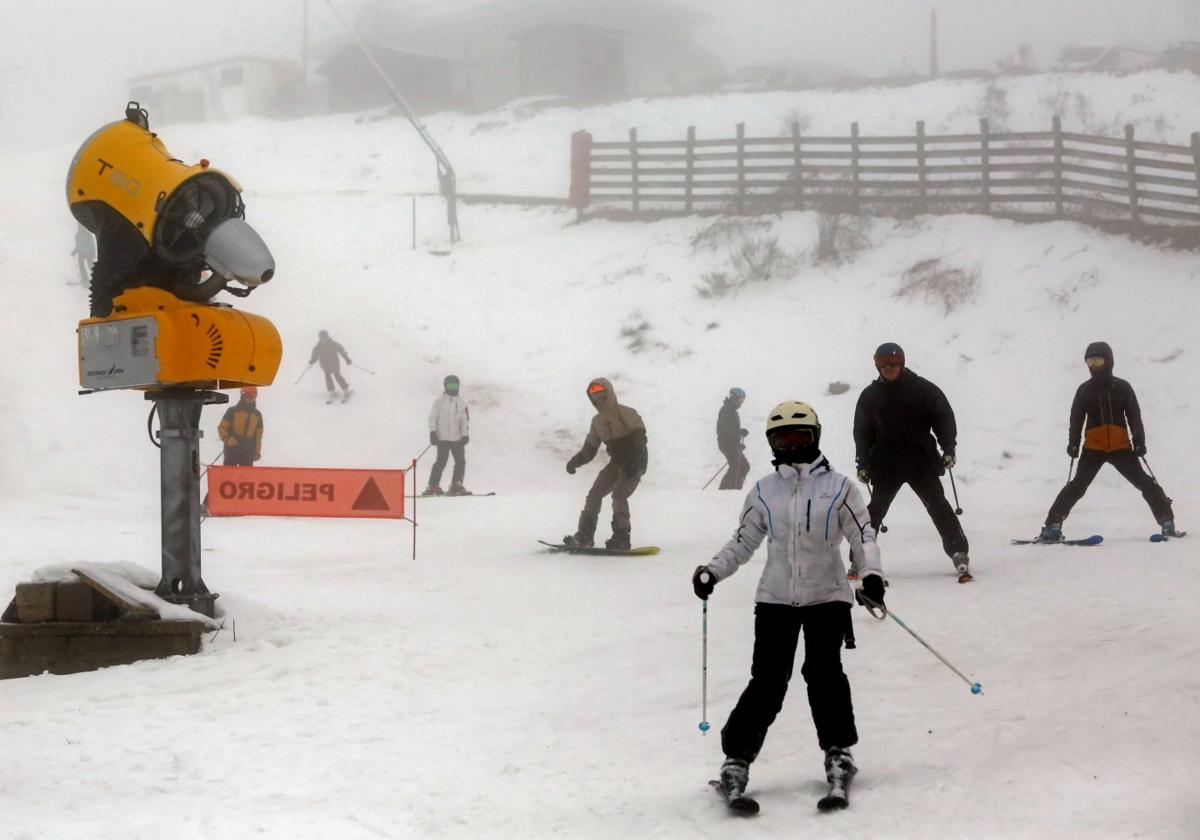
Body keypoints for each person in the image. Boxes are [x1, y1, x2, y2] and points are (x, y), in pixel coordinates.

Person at [692, 400, 883, 804]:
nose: (793, 445)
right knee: (767, 681)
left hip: (827, 596)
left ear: (815, 438)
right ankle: (736, 761)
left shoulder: (841, 488)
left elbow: (863, 536)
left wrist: (871, 575)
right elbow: (743, 541)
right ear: (773, 443)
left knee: (824, 674)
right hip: (776, 597)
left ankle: (839, 754)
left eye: (801, 437)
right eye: (784, 438)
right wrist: (713, 570)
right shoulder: (764, 490)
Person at [1037, 341, 1177, 541]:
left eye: (1097, 360)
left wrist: (1139, 440)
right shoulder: (1084, 390)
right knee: (1077, 486)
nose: (1093, 365)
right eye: (1089, 361)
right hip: (1093, 448)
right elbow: (1076, 418)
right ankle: (1052, 526)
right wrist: (1073, 442)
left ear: (1108, 361)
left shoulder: (1122, 387)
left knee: (1145, 484)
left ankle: (1167, 522)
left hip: (1121, 447)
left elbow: (1134, 415)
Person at [853, 342, 970, 579]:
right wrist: (862, 462)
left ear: (902, 362)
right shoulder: (869, 396)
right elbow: (862, 431)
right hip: (886, 465)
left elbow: (944, 419)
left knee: (938, 506)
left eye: (893, 363)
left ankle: (959, 551)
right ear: (876, 364)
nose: (889, 368)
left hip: (921, 462)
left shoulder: (923, 389)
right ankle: (860, 558)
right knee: (874, 512)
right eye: (883, 363)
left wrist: (949, 448)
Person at [563, 378, 648, 550]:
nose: (600, 401)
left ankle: (622, 537)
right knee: (595, 493)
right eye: (596, 399)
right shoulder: (597, 422)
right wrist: (575, 462)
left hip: (635, 460)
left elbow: (640, 439)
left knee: (619, 495)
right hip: (616, 462)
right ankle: (585, 535)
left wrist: (635, 463)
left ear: (610, 394)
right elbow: (590, 448)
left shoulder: (627, 413)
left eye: (603, 396)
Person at [425, 375, 470, 496]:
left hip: (457, 439)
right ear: (445, 386)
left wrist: (465, 434)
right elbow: (433, 418)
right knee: (441, 461)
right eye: (450, 385)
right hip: (442, 438)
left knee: (460, 462)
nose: (453, 388)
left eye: (455, 385)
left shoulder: (461, 402)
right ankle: (433, 486)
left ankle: (456, 485)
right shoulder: (440, 401)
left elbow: (464, 420)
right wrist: (433, 432)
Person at [218, 387, 263, 466]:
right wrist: (227, 439)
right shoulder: (232, 411)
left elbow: (258, 436)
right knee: (229, 475)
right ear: (243, 396)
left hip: (248, 450)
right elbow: (222, 427)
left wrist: (257, 452)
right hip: (232, 448)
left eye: (253, 397)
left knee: (246, 476)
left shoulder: (257, 415)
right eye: (248, 396)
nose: (251, 399)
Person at [717, 387, 750, 490]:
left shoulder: (730, 409)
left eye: (743, 400)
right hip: (727, 444)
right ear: (734, 398)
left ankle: (729, 489)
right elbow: (726, 430)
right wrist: (739, 433)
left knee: (739, 466)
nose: (741, 403)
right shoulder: (727, 410)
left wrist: (737, 441)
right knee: (740, 466)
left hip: (729, 443)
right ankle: (731, 490)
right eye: (740, 400)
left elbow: (730, 430)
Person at [309, 330, 352, 403]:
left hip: (334, 364)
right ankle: (331, 391)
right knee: (327, 377)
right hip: (325, 365)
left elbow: (341, 350)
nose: (323, 340)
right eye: (322, 338)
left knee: (337, 376)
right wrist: (312, 360)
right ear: (320, 338)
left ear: (327, 337)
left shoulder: (333, 344)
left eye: (325, 338)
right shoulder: (318, 347)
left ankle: (345, 390)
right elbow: (315, 354)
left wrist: (346, 358)